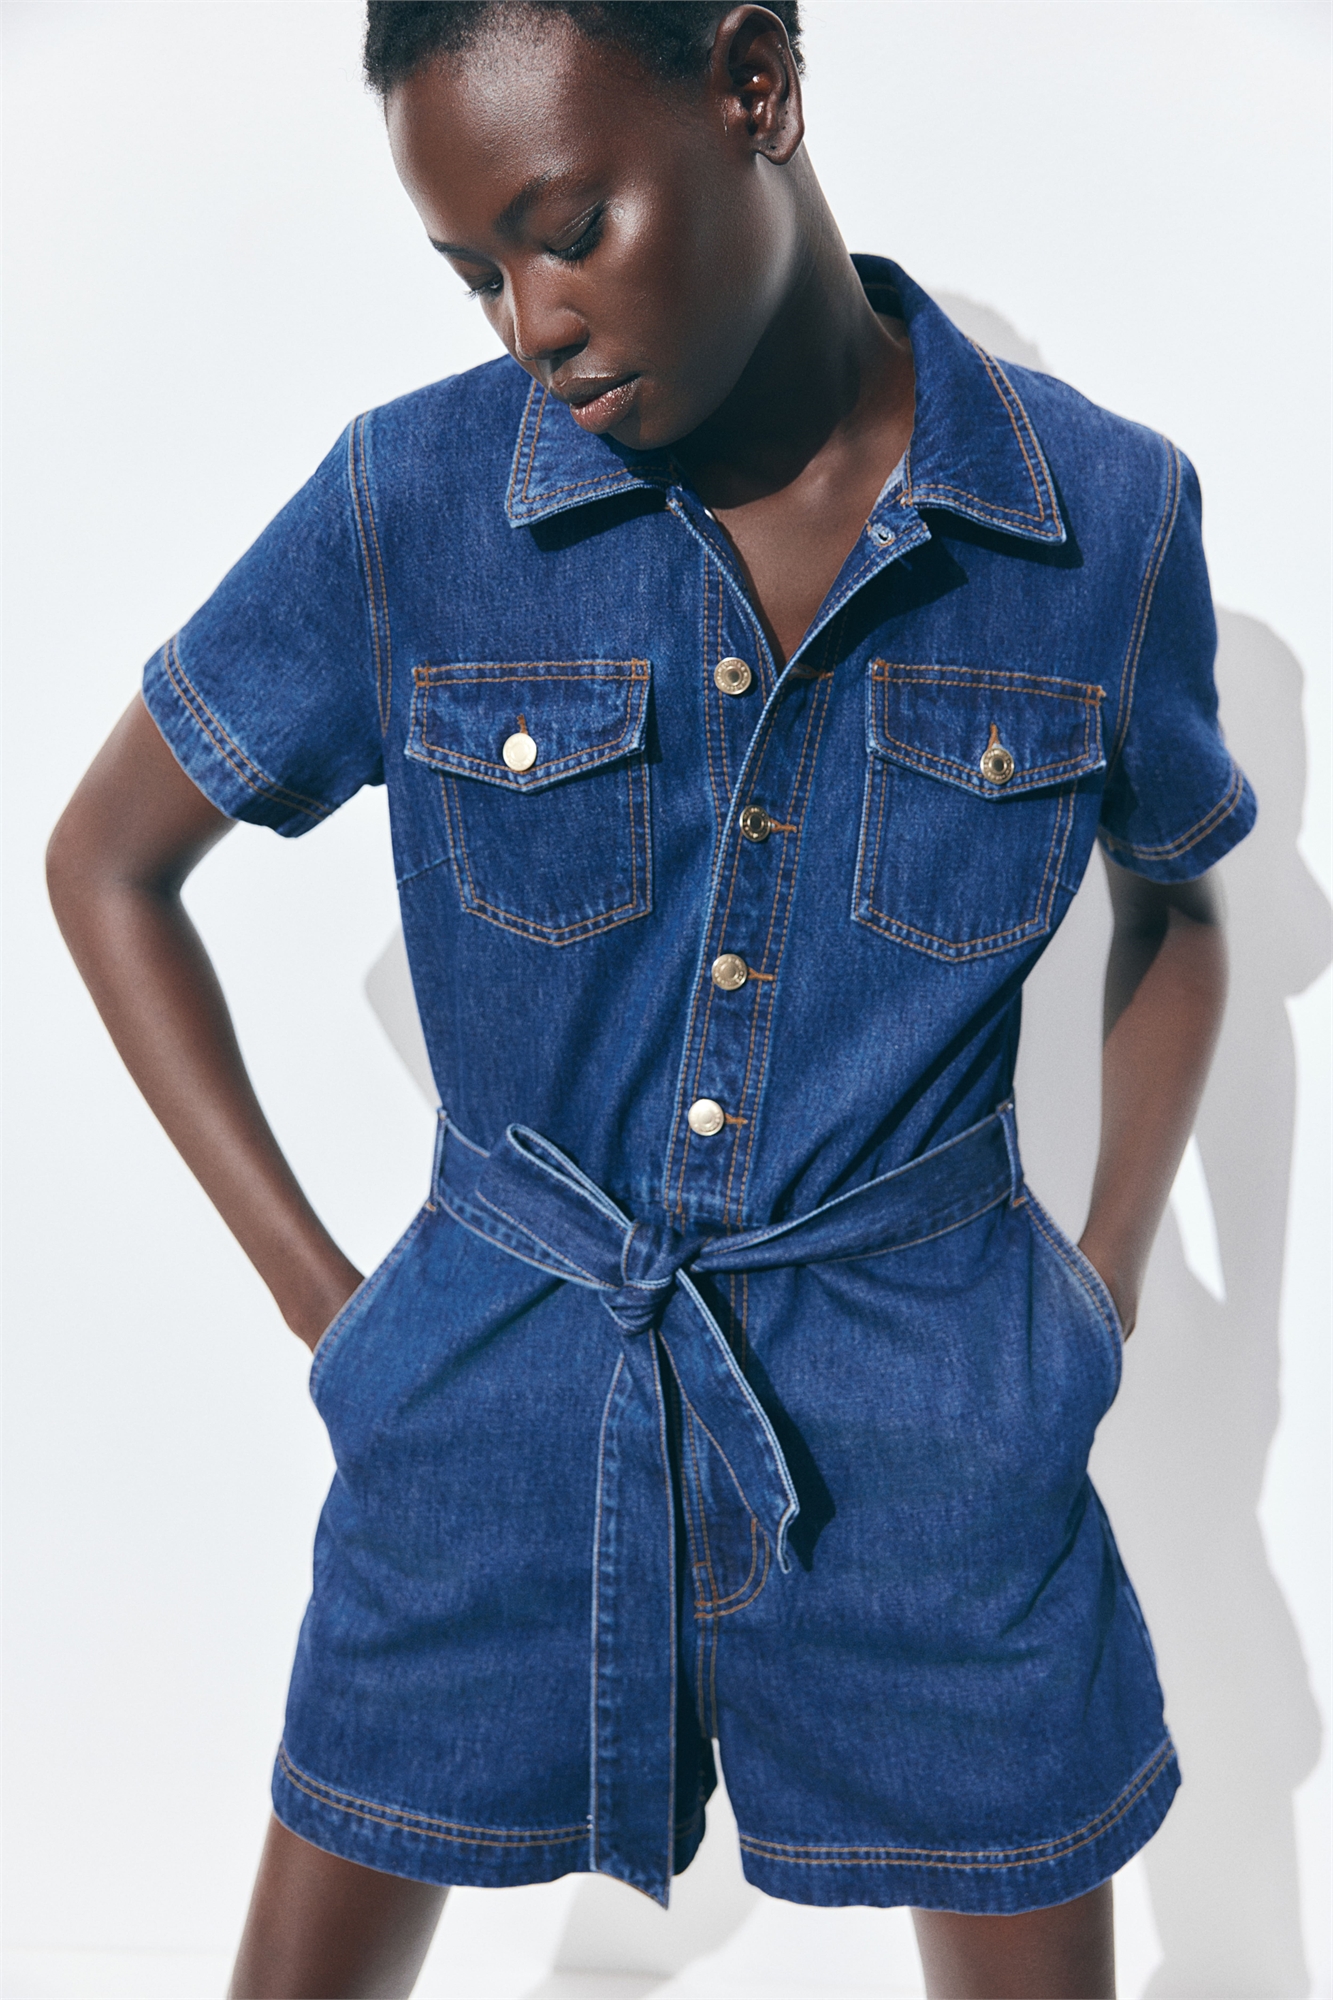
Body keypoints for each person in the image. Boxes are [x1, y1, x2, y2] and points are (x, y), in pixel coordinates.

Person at [45, 5, 1254, 1995]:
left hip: (939, 1426)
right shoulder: (412, 502)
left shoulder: (1099, 520)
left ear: (756, 89)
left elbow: (1179, 905)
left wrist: (1100, 1288)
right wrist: (335, 1317)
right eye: (474, 271)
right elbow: (104, 862)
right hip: (496, 1403)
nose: (532, 321)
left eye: (566, 227)